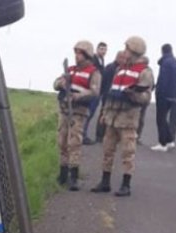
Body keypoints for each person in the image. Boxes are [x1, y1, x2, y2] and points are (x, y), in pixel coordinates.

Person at [91, 36, 154, 197]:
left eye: (127, 49)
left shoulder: (145, 72)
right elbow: (110, 94)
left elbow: (146, 97)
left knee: (128, 152)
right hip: (112, 117)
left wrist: (133, 94)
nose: (124, 52)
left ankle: (126, 185)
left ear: (135, 51)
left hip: (128, 119)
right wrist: (104, 113)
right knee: (107, 150)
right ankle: (105, 182)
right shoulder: (120, 69)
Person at [54, 40, 102, 191]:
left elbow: (95, 91)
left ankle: (74, 177)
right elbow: (55, 83)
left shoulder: (94, 72)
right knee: (62, 141)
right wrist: (61, 83)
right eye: (75, 52)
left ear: (87, 54)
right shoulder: (70, 69)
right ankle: (62, 174)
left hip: (78, 112)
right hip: (64, 111)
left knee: (74, 143)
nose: (76, 56)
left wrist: (78, 96)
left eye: (80, 53)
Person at [150, 44, 176, 152]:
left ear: (162, 51)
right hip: (173, 95)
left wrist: (158, 91)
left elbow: (163, 79)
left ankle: (162, 143)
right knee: (164, 118)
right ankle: (170, 140)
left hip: (164, 95)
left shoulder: (165, 63)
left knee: (160, 118)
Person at [96, 51, 126, 143]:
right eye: (123, 58)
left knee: (111, 114)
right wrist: (102, 93)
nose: (124, 60)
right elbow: (104, 81)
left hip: (113, 95)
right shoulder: (111, 68)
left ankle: (108, 135)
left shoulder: (121, 69)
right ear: (118, 57)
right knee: (104, 113)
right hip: (107, 94)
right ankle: (99, 135)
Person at [83, 42, 108, 145]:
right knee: (88, 113)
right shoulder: (94, 60)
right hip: (93, 90)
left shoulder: (101, 60)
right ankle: (82, 135)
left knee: (91, 113)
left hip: (98, 91)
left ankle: (83, 134)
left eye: (105, 49)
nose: (103, 51)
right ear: (97, 49)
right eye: (101, 49)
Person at [136, 56, 153, 144]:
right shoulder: (137, 70)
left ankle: (137, 137)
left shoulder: (148, 72)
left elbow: (149, 85)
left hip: (143, 98)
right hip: (136, 97)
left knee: (141, 118)